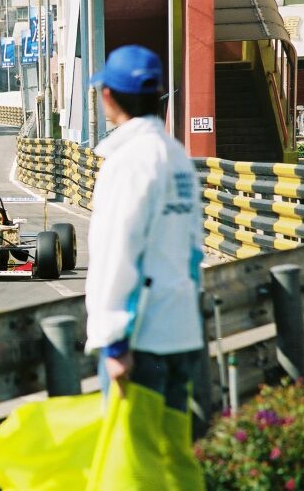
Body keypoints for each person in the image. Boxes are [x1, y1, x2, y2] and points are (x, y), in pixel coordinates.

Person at [85, 45, 205, 488]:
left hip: (140, 338)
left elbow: (116, 250)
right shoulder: (176, 156)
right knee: (176, 457)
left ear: (108, 95)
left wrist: (113, 341)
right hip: (181, 329)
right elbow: (193, 249)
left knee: (134, 465)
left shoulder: (127, 163)